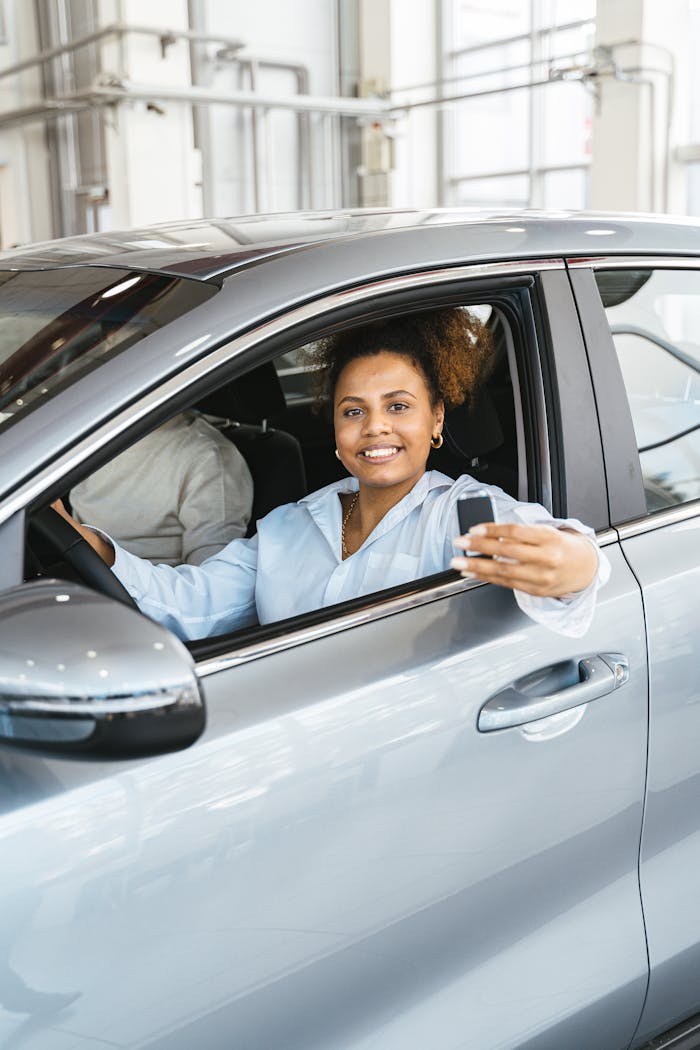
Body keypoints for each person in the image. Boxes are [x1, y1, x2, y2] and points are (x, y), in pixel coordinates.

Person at [54, 308, 606, 642]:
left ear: (436, 418)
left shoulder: (461, 511)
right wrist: (81, 543)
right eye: (353, 411)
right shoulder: (287, 526)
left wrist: (573, 561)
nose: (374, 428)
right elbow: (192, 604)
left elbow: (564, 547)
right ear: (336, 430)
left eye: (398, 407)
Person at [70, 411, 254, 566]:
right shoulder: (89, 437)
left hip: (135, 598)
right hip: (78, 569)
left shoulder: (209, 457)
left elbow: (209, 582)